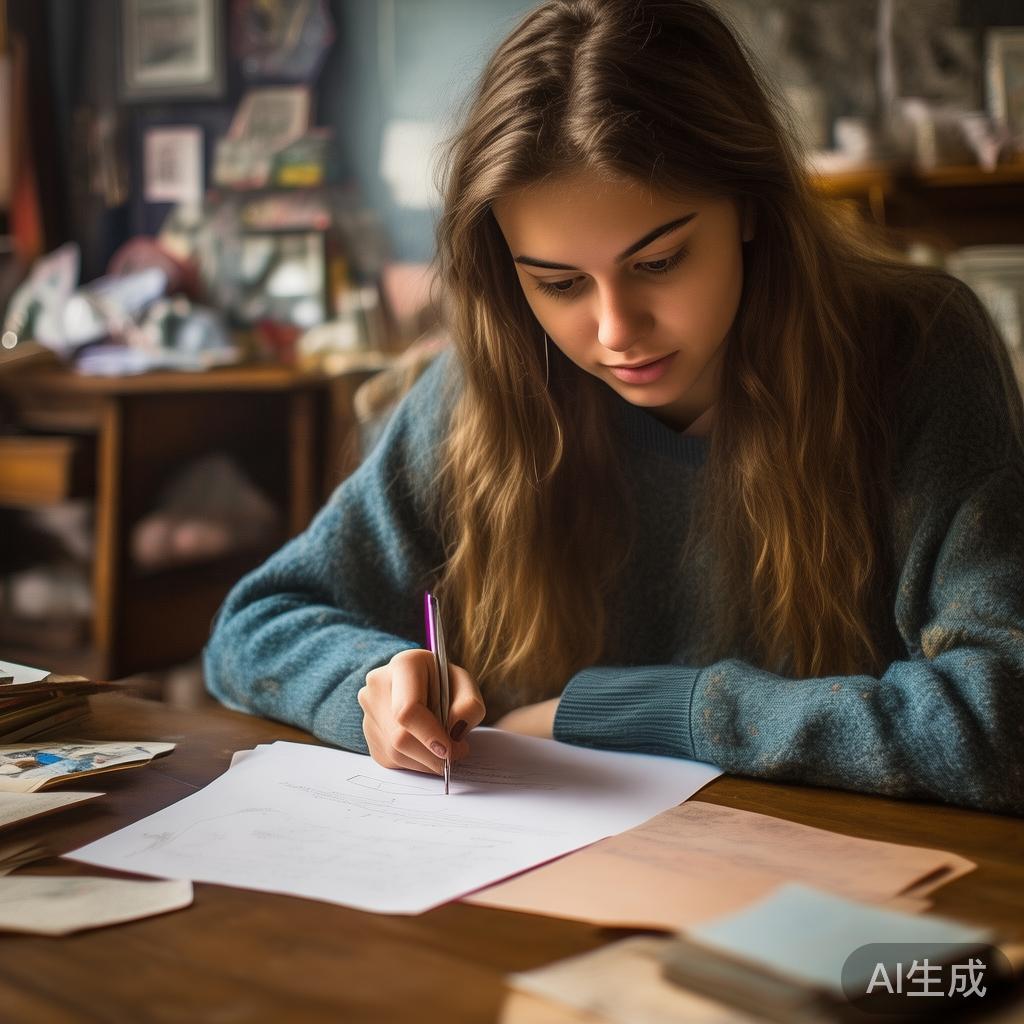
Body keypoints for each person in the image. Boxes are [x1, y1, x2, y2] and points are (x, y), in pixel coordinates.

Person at [204, 0, 1024, 816]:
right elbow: (258, 625)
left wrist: (612, 715)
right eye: (557, 283)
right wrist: (371, 690)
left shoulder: (916, 349)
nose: (615, 330)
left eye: (660, 260)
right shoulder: (480, 389)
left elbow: (1000, 717)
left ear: (749, 206)